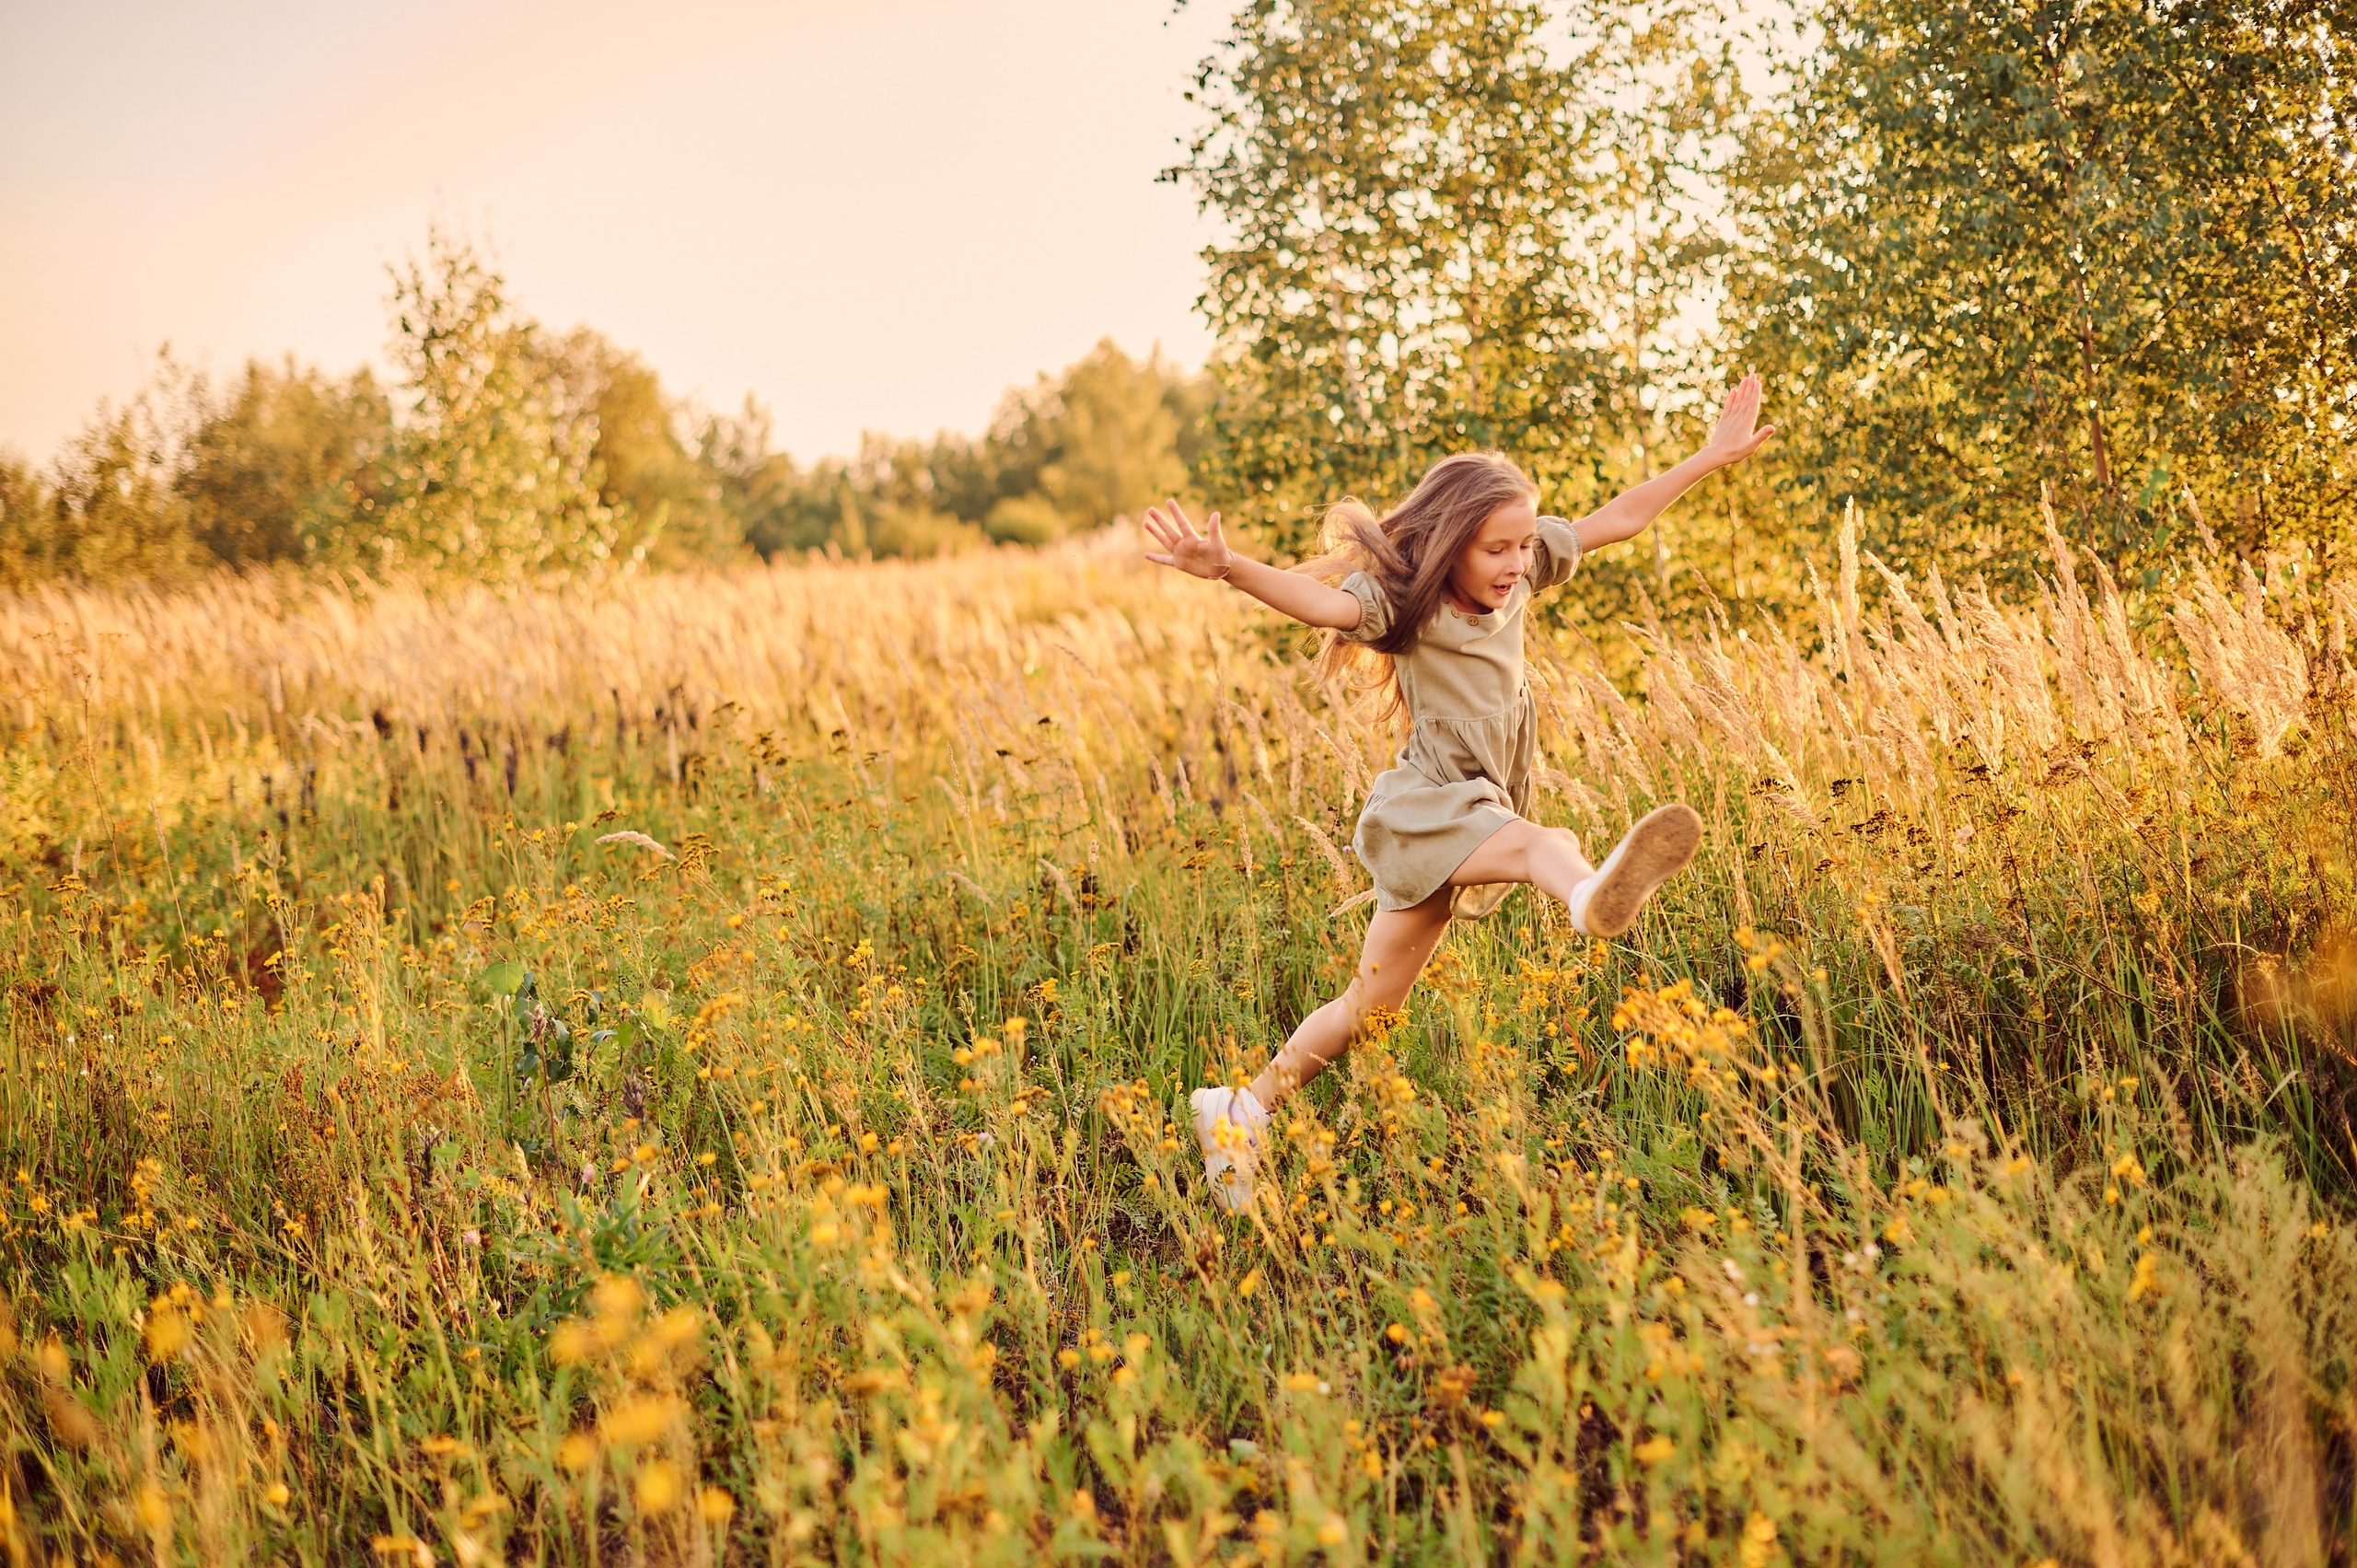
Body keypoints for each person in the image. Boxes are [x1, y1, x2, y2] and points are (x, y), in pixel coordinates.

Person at [1144, 374, 1777, 1212]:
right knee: (1537, 843)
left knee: (1370, 1009)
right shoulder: (1403, 598)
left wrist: (1707, 456)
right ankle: (1590, 894)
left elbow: (1619, 517)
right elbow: (1321, 603)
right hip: (1434, 802)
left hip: (1475, 800)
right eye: (1499, 549)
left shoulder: (1523, 566)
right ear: (1452, 543)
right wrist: (1229, 568)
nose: (1519, 562)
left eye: (1524, 545)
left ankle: (1242, 1108)